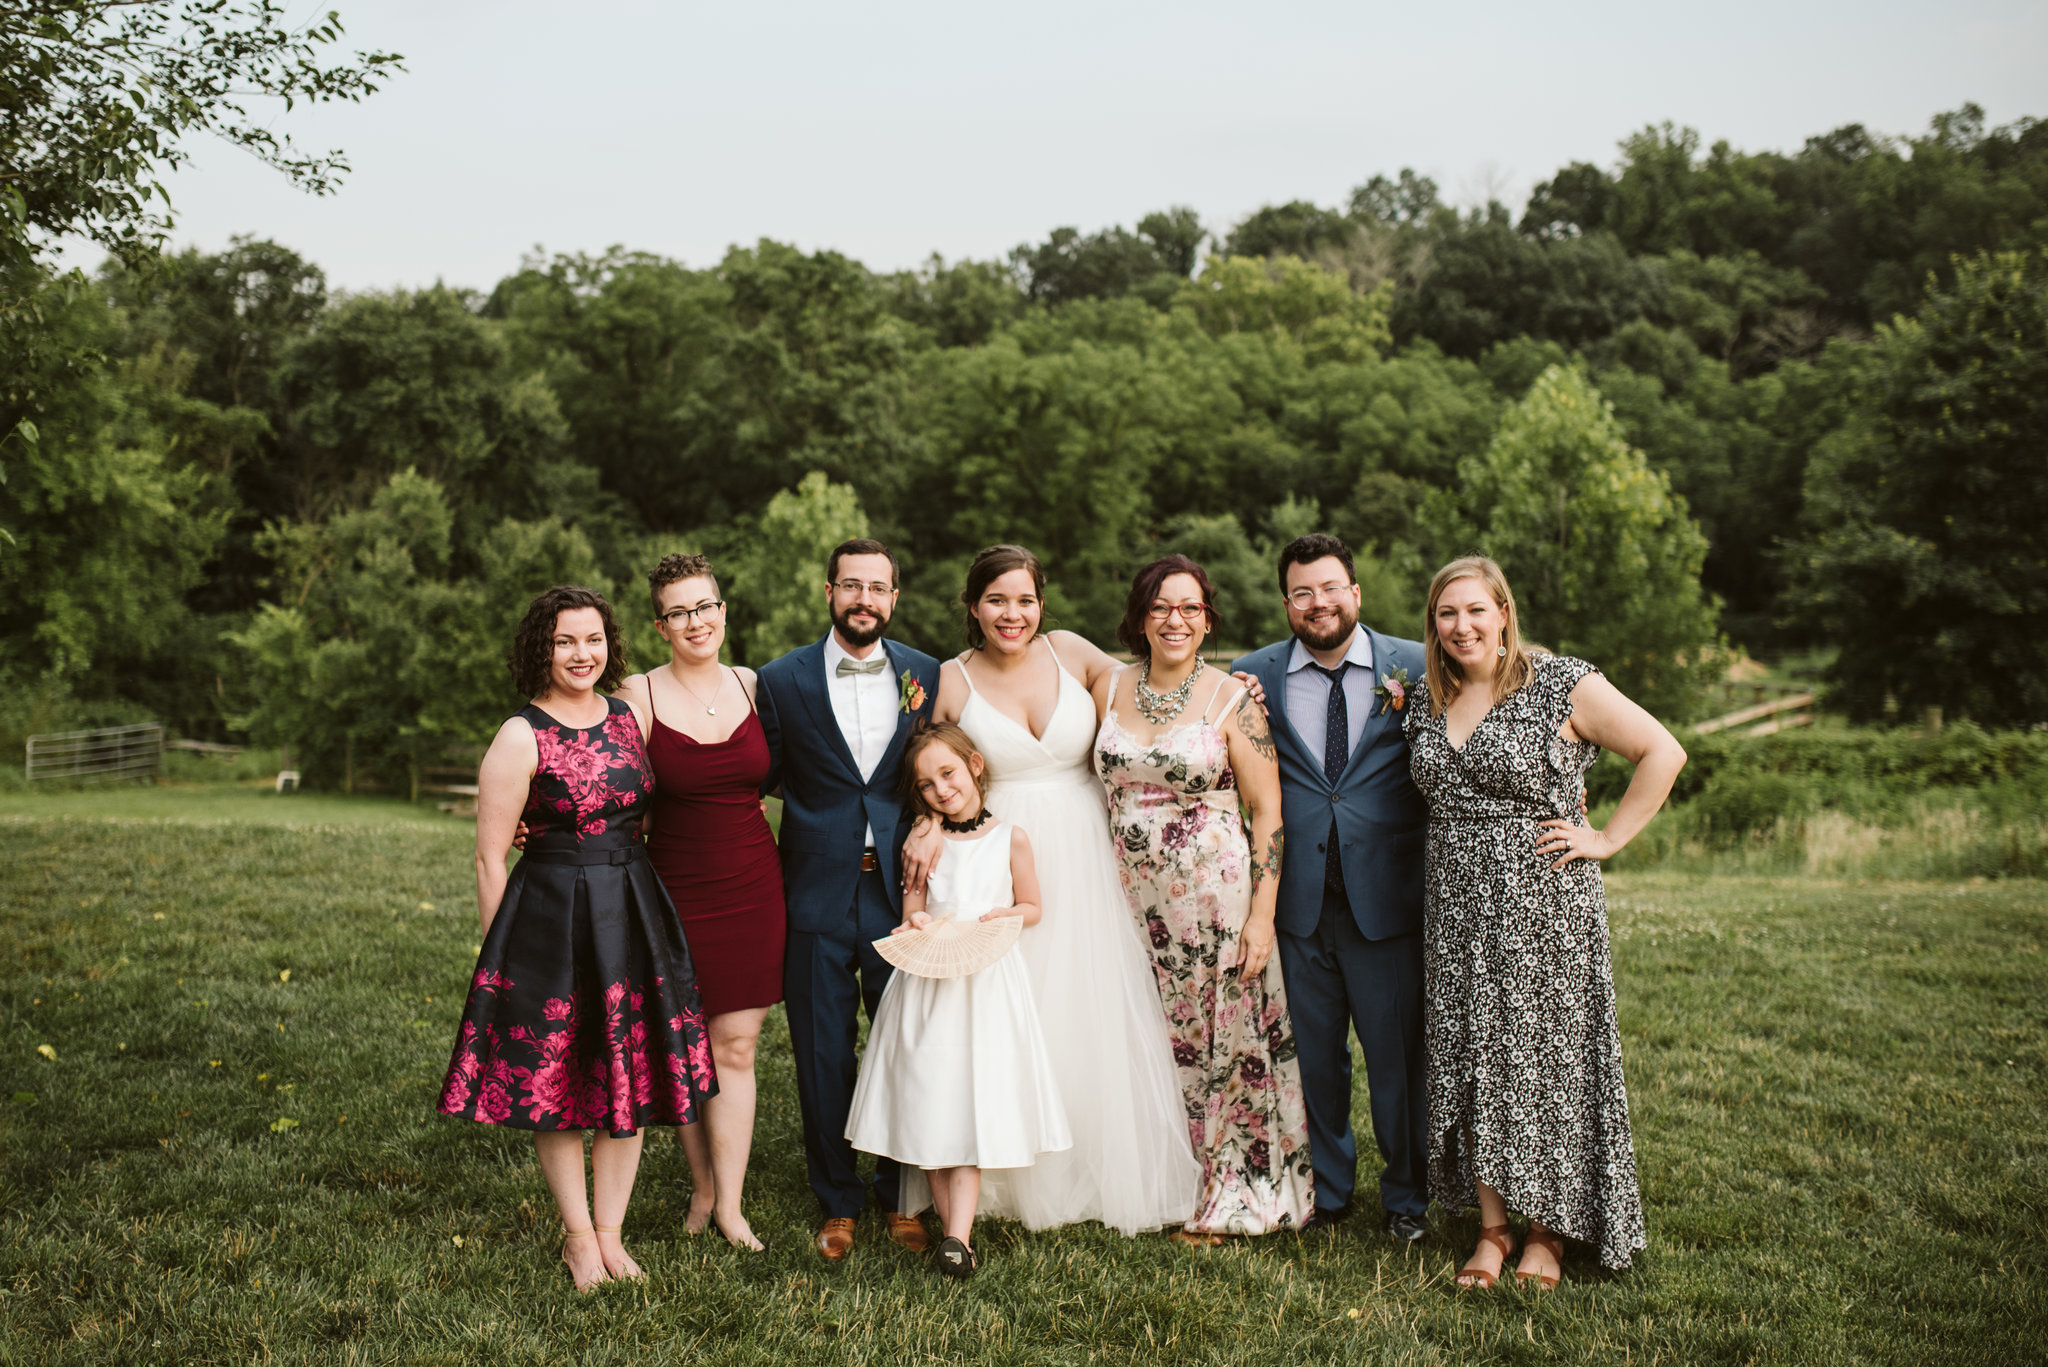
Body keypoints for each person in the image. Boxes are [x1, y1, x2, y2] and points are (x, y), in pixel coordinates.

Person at [898, 544, 1200, 1235]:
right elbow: (925, 765)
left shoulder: (1072, 653)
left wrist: (1225, 692)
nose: (1014, 613)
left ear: (1042, 604)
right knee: (1006, 1010)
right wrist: (924, 820)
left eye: (1026, 599)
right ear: (973, 607)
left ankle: (1094, 1163)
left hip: (1085, 848)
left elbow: (1158, 683)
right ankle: (1003, 1176)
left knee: (1087, 1002)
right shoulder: (950, 677)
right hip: (998, 859)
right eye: (997, 599)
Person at [1403, 555, 1685, 1288]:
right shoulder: (1424, 701)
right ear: (1433, 624)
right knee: (1472, 1059)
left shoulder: (1558, 681)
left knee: (1545, 1061)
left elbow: (1662, 750)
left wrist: (1606, 837)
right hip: (1454, 908)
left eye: (1475, 610)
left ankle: (1547, 1234)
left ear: (1503, 612)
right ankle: (1491, 1231)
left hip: (1544, 904)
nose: (1461, 625)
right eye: (1446, 613)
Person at [439, 585, 717, 1292]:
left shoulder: (627, 718)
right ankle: (577, 1238)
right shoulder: (518, 735)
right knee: (559, 1080)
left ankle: (613, 1233)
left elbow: (644, 815)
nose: (581, 653)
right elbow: (488, 857)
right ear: (542, 647)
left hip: (629, 913)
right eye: (565, 640)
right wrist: (505, 964)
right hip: (549, 923)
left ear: (609, 643)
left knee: (627, 1071)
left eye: (592, 639)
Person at [1095, 554, 1314, 1241]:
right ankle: (1162, 1177)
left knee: (1220, 1038)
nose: (1176, 619)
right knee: (1150, 1037)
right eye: (1161, 606)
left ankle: (1230, 1188)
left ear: (1207, 617)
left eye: (1190, 607)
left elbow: (1268, 808)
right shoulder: (1105, 685)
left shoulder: (1230, 697)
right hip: (1127, 899)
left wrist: (1261, 914)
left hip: (1212, 901)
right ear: (1139, 616)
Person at [1231, 533, 1431, 1245]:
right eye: (1302, 592)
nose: (1319, 603)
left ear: (1355, 592)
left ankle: (1409, 1195)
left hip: (1388, 897)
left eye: (1331, 587)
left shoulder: (1416, 663)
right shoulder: (1250, 675)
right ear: (1287, 602)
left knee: (1398, 1061)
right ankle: (1329, 1189)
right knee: (1314, 1058)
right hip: (1298, 901)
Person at [755, 537, 942, 1261]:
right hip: (814, 887)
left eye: (879, 588)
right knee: (822, 1050)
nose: (865, 599)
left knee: (905, 1045)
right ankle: (837, 1199)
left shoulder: (924, 673)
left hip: (905, 891)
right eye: (852, 585)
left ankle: (902, 1195)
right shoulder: (781, 678)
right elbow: (762, 773)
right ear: (829, 590)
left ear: (895, 598)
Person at [846, 723, 1072, 1279]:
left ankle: (957, 1238)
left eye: (947, 774)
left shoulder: (1011, 836)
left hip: (987, 986)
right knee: (933, 1101)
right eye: (925, 786)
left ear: (974, 764)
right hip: (930, 984)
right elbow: (911, 912)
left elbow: (1034, 905)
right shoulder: (925, 842)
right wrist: (917, 919)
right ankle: (955, 1239)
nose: (940, 790)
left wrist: (1009, 915)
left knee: (970, 1103)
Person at [614, 552, 784, 1251]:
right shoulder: (638, 693)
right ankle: (702, 1183)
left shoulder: (752, 683)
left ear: (723, 609)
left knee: (737, 1045)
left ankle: (731, 1204)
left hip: (752, 882)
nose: (696, 621)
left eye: (705, 605)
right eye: (679, 611)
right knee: (686, 1046)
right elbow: (603, 779)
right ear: (661, 625)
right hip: (674, 888)